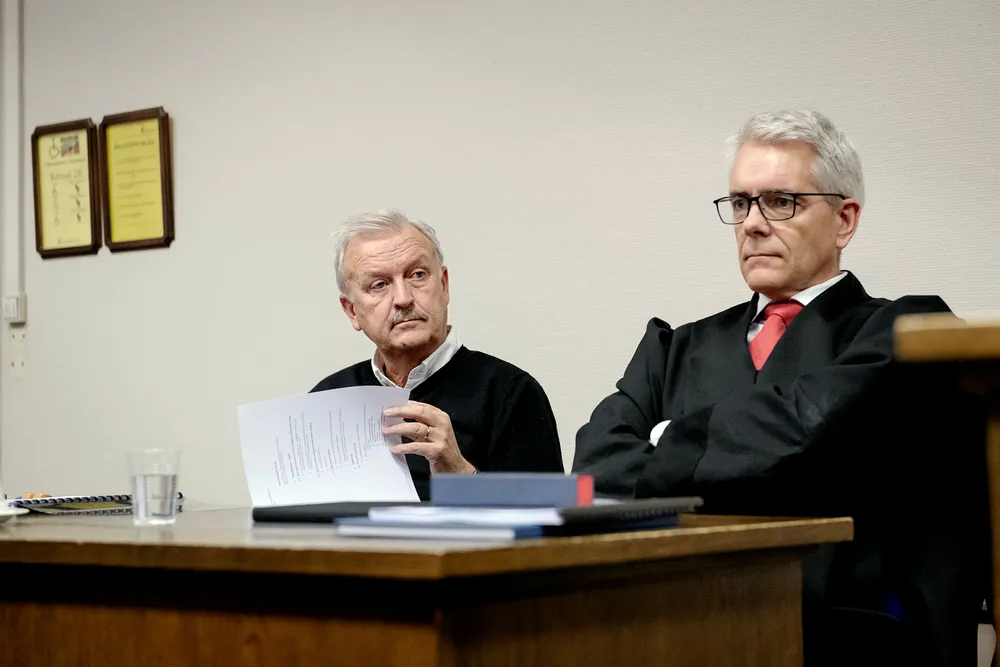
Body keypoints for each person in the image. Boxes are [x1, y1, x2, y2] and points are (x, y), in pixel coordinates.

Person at [572, 111, 987, 666]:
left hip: (848, 640)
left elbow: (804, 431)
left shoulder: (910, 332)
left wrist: (664, 440)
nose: (752, 224)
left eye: (780, 202)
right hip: (674, 629)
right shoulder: (674, 347)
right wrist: (756, 466)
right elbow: (596, 463)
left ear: (844, 220)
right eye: (741, 203)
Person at [311, 208, 564, 499]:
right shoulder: (327, 399)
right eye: (379, 285)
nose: (403, 298)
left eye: (417, 275)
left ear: (443, 286)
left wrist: (458, 472)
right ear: (352, 311)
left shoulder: (510, 391)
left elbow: (551, 512)